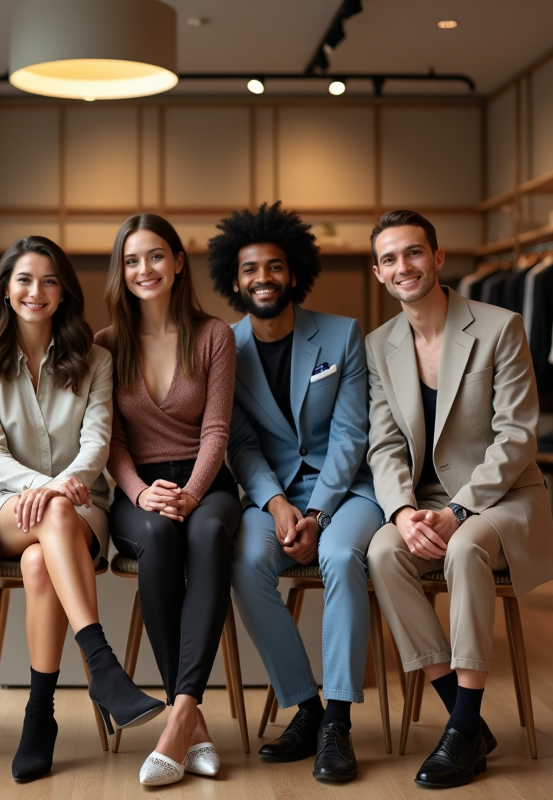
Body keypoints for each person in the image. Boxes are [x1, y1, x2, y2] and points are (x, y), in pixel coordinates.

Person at [364, 210, 553, 789]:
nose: (405, 266)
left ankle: (463, 726)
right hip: (422, 501)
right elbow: (384, 444)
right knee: (381, 554)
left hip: (503, 496)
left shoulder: (500, 326)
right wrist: (401, 511)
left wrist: (457, 512)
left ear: (438, 258)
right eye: (392, 258)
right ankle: (464, 718)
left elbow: (519, 435)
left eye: (415, 253)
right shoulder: (379, 345)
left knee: (466, 548)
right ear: (378, 272)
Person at [0, 236, 165, 782]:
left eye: (49, 280)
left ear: (64, 293)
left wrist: (62, 486)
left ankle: (40, 715)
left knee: (37, 564)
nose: (36, 291)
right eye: (24, 279)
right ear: (6, 289)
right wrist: (44, 487)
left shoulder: (96, 359)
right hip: (6, 504)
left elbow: (97, 444)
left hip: (82, 501)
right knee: (50, 518)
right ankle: (101, 665)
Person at [210, 202, 382, 783]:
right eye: (251, 268)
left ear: (294, 272)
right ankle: (304, 706)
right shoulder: (222, 348)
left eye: (275, 266)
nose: (263, 277)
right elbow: (240, 443)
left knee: (339, 555)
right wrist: (279, 504)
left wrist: (315, 511)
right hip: (272, 494)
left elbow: (352, 433)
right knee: (249, 559)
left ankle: (337, 720)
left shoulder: (341, 334)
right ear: (234, 281)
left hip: (347, 491)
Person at [95, 213, 241, 787]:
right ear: (121, 271)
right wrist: (141, 493)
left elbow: (216, 431)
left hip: (208, 486)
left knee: (206, 534)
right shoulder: (107, 344)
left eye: (156, 256)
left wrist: (191, 494)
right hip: (139, 486)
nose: (144, 269)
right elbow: (111, 442)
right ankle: (194, 723)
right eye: (132, 260)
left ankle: (178, 717)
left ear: (178, 262)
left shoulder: (215, 336)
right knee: (156, 535)